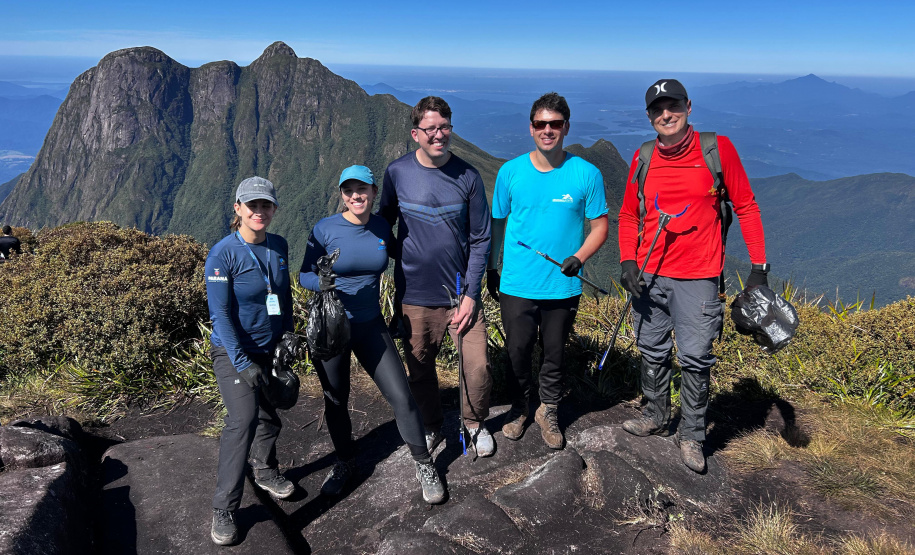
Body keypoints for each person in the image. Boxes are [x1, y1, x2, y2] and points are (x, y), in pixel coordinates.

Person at [617, 79, 768, 472]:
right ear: (649, 116)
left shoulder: (717, 150)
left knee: (696, 359)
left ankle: (692, 434)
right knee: (651, 348)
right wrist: (628, 261)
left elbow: (747, 206)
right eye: (657, 109)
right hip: (649, 274)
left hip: (699, 276)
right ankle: (655, 414)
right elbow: (630, 214)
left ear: (688, 106)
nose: (666, 115)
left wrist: (758, 269)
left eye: (673, 107)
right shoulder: (644, 156)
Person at [299, 165, 446, 504]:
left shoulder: (381, 226)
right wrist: (319, 282)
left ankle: (424, 463)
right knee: (335, 400)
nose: (356, 196)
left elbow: (404, 253)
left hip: (370, 325)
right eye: (349, 191)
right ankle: (345, 462)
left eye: (362, 189)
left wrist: (444, 249)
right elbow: (304, 273)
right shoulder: (324, 230)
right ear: (341, 195)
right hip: (332, 328)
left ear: (374, 192)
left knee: (402, 395)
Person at [487, 92, 609, 450]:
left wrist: (580, 256)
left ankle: (549, 409)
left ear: (566, 127)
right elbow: (497, 224)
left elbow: (600, 227)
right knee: (517, 351)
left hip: (562, 285)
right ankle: (522, 406)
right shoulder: (510, 172)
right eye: (541, 124)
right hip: (517, 283)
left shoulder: (586, 174)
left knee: (555, 352)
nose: (547, 130)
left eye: (555, 124)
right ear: (531, 128)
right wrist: (493, 268)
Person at [378, 97, 495, 457]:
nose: (439, 134)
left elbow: (481, 238)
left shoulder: (468, 176)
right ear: (416, 134)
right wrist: (400, 252)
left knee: (477, 366)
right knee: (420, 368)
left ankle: (473, 424)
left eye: (444, 127)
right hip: (414, 292)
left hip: (460, 294)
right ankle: (431, 425)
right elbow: (384, 221)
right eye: (431, 129)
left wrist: (472, 293)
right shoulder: (397, 173)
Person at [205, 176, 297, 546]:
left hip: (270, 347)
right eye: (252, 205)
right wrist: (242, 361)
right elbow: (220, 315)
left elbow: (284, 295)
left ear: (274, 209)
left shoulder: (278, 246)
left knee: (270, 412)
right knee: (242, 420)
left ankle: (264, 469)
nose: (259, 211)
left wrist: (288, 336)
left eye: (266, 205)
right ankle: (224, 508)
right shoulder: (223, 254)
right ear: (238, 209)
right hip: (232, 351)